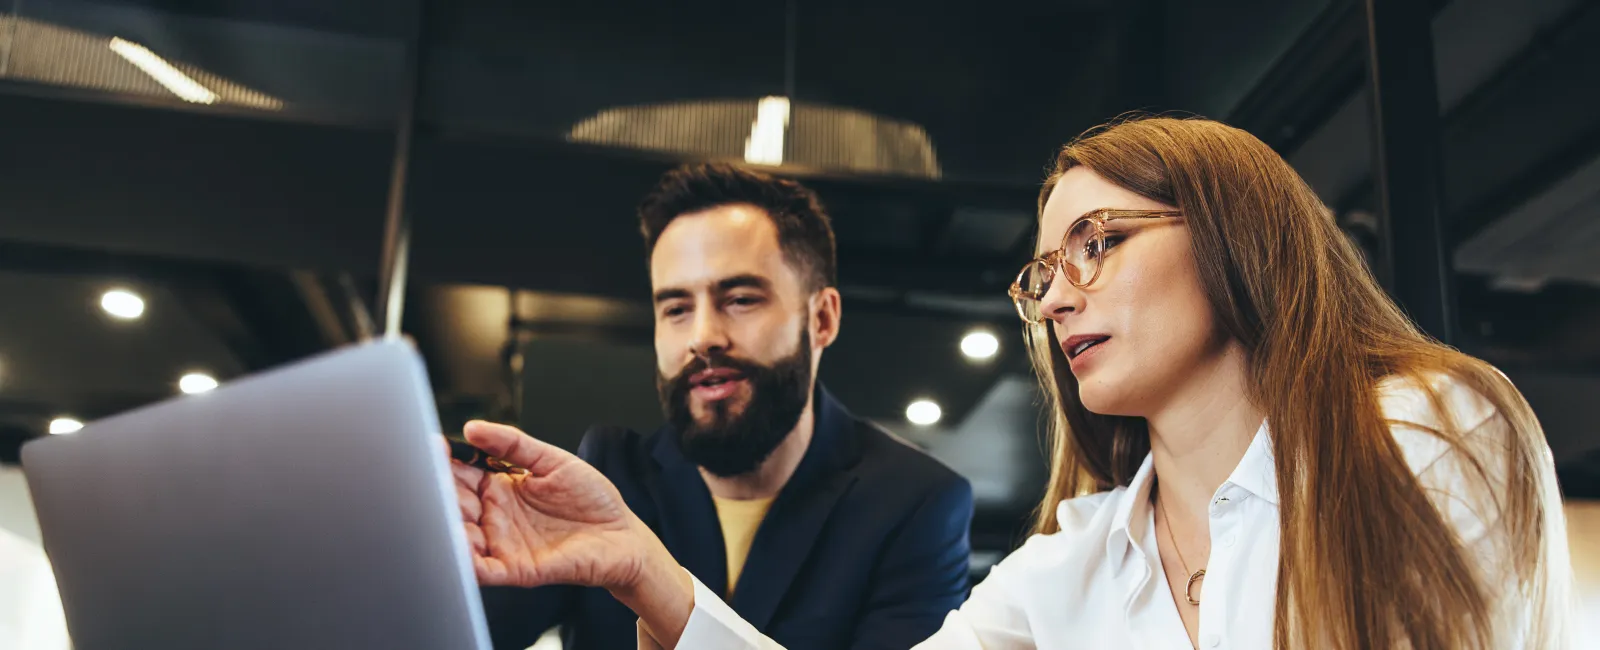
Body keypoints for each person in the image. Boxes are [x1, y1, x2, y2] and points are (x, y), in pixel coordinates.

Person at [452, 117, 1575, 649]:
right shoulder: (1079, 553)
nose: (1061, 294)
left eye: (1098, 239)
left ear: (1239, 231)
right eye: (1044, 270)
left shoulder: (1415, 422)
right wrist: (650, 573)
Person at [473, 162, 974, 650]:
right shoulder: (611, 477)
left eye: (740, 299)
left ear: (821, 319)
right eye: (676, 309)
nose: (703, 337)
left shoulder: (914, 503)